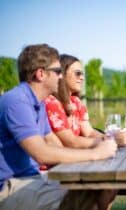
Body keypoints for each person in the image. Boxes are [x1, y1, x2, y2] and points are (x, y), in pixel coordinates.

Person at [0, 44, 117, 210]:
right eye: (57, 71)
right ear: (41, 74)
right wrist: (95, 153)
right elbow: (42, 153)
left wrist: (96, 146)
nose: (61, 76)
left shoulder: (38, 103)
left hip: (32, 179)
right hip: (9, 187)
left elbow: (54, 143)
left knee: (101, 186)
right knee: (85, 197)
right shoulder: (17, 102)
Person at [44, 54, 126, 149]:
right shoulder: (51, 103)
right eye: (78, 73)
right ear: (62, 74)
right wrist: (111, 140)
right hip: (59, 162)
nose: (82, 77)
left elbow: (89, 132)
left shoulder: (76, 102)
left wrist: (110, 137)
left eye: (83, 74)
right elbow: (71, 142)